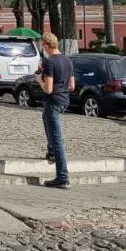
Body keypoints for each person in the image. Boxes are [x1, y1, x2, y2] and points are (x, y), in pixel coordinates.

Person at [38, 32, 75, 190]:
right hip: (64, 100)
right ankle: (50, 151)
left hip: (53, 100)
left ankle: (62, 177)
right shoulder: (67, 61)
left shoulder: (50, 62)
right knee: (45, 118)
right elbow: (72, 86)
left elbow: (48, 89)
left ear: (46, 45)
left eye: (42, 45)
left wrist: (39, 79)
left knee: (57, 138)